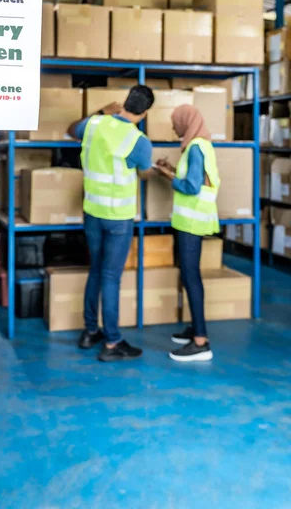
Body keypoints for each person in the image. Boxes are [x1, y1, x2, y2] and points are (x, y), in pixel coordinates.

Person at [67, 85, 156, 362]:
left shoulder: (94, 124)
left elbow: (72, 130)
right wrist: (155, 169)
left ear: (124, 102)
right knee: (110, 277)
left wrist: (100, 111)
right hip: (118, 217)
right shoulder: (139, 141)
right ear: (145, 112)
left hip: (92, 211)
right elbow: (144, 174)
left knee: (96, 270)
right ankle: (113, 342)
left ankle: (90, 331)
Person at [156, 104, 220, 363]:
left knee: (191, 276)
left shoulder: (195, 148)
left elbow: (192, 186)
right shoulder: (200, 145)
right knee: (187, 273)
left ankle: (201, 342)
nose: (174, 127)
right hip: (190, 221)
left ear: (186, 122)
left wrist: (167, 177)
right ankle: (195, 328)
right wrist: (170, 170)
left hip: (191, 223)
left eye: (176, 123)